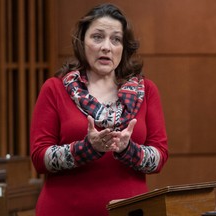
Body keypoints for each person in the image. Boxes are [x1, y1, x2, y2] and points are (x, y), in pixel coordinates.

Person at [30, 3, 168, 216]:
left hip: (130, 211)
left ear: (124, 47)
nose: (106, 47)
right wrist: (86, 148)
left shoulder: (146, 91)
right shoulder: (55, 88)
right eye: (97, 37)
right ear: (82, 42)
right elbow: (39, 157)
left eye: (116, 39)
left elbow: (159, 157)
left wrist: (128, 150)